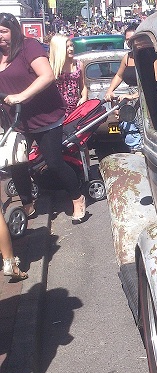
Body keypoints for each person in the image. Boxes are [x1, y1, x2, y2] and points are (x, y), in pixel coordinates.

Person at [0, 13, 87, 224]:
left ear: (14, 29)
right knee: (17, 164)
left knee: (54, 162)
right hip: (17, 122)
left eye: (3, 31)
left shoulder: (29, 47)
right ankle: (28, 204)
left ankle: (77, 197)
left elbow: (47, 75)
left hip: (45, 118)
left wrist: (21, 96)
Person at [104, 24, 142, 151]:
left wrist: (132, 96)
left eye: (133, 38)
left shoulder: (149, 56)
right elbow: (119, 75)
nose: (130, 42)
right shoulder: (127, 57)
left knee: (141, 132)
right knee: (129, 130)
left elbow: (153, 83)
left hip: (145, 100)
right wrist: (110, 91)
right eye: (127, 39)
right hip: (132, 100)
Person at [48, 34, 87, 116]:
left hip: (75, 108)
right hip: (57, 109)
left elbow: (83, 86)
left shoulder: (78, 64)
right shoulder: (51, 66)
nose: (71, 49)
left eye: (72, 46)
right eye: (67, 47)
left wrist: (84, 97)